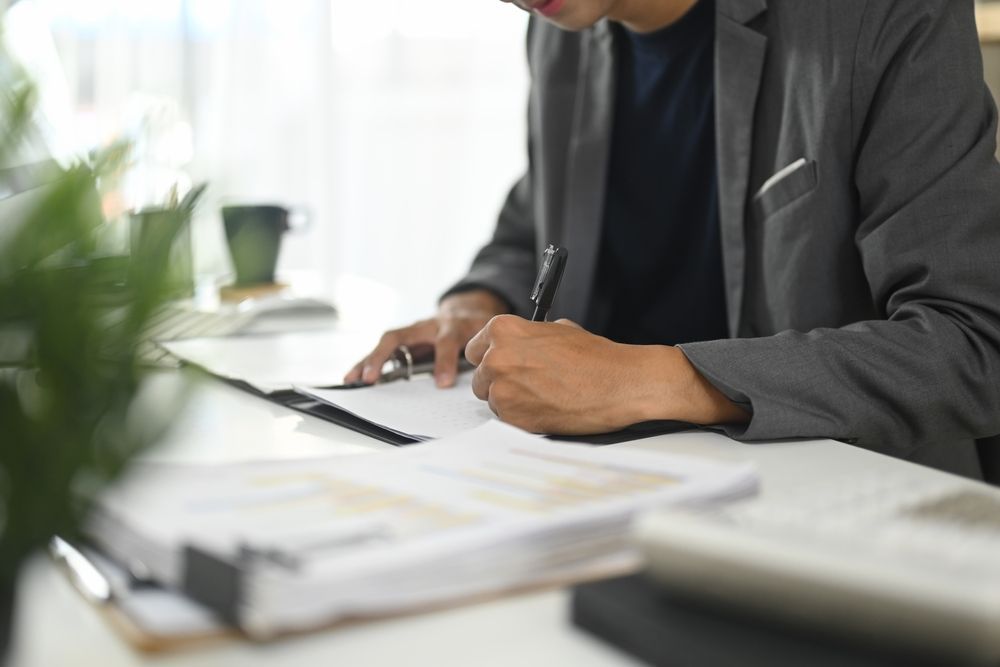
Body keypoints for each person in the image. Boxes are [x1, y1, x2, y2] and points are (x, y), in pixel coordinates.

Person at [347, 0, 1000, 479]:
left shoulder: (882, 15)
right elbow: (536, 221)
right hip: (604, 492)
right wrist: (477, 299)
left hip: (845, 518)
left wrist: (655, 378)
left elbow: (974, 344)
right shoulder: (559, 31)